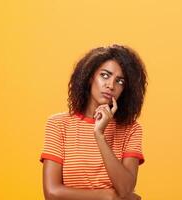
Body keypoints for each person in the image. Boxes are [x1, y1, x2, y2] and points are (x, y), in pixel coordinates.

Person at [39, 44, 148, 200]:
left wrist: (99, 135)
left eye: (120, 81)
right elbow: (52, 193)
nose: (111, 85)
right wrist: (106, 195)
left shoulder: (131, 129)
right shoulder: (58, 124)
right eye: (105, 75)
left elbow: (125, 189)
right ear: (90, 77)